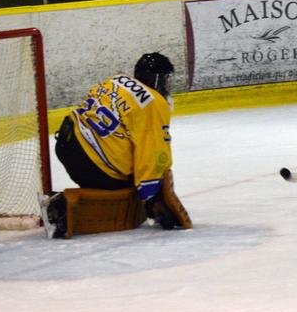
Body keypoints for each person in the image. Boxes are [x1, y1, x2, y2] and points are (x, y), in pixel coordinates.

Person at [41, 53, 192, 238]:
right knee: (131, 194)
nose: (166, 86)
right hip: (91, 163)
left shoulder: (117, 80)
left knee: (126, 170)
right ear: (157, 79)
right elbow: (152, 152)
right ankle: (63, 208)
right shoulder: (154, 103)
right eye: (165, 80)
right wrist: (152, 197)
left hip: (66, 143)